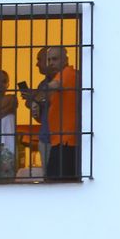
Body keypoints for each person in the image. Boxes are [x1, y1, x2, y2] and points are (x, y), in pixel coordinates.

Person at [30, 44, 79, 180]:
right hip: (58, 140)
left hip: (66, 142)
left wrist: (35, 98)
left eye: (55, 59)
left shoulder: (67, 73)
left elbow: (53, 86)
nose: (51, 63)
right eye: (49, 60)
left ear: (65, 60)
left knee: (56, 184)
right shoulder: (59, 78)